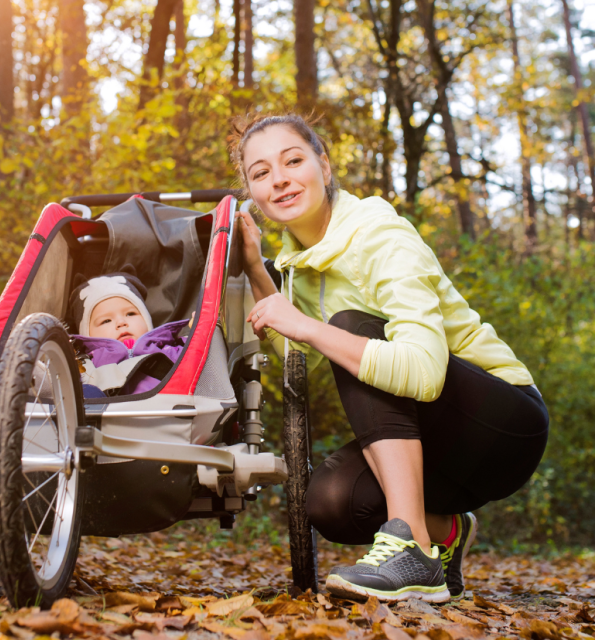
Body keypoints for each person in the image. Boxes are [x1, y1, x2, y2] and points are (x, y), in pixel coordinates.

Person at [232, 113, 548, 604]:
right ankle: (443, 532)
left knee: (349, 327)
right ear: (252, 191)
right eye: (260, 172)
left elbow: (422, 373)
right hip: (439, 452)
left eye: (293, 160)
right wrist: (256, 268)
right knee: (331, 502)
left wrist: (311, 326)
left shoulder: (380, 234)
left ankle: (411, 548)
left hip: (503, 425)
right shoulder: (302, 265)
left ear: (325, 165)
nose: (279, 179)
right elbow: (305, 361)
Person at [68, 272, 187, 397]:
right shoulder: (84, 367)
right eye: (106, 321)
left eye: (130, 314)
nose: (121, 322)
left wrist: (199, 337)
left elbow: (200, 362)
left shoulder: (171, 350)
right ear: (88, 335)